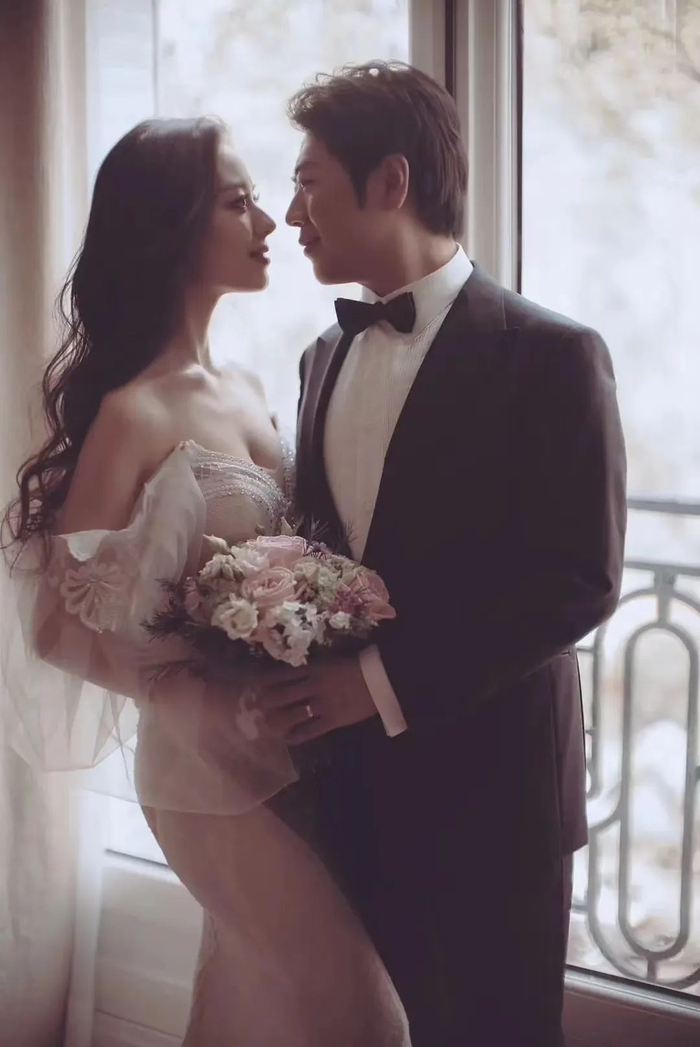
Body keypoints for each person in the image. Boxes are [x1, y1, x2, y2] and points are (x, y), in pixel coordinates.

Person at [2, 117, 410, 1046]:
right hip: (203, 772)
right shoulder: (132, 413)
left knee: (247, 1006)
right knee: (366, 1020)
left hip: (301, 754)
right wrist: (190, 691)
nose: (270, 222)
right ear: (174, 228)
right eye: (239, 203)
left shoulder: (249, 387)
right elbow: (55, 629)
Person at [256, 60, 627, 1047]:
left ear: (390, 182)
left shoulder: (552, 354)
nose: (291, 216)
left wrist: (375, 685)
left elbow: (580, 579)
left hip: (494, 800)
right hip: (350, 795)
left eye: (307, 183)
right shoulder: (321, 356)